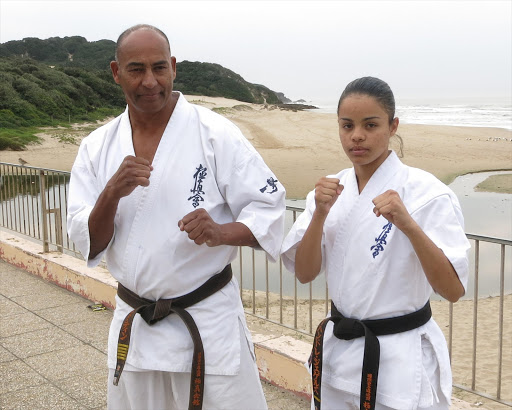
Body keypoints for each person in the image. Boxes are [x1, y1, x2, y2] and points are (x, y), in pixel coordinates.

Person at [67, 24, 285, 410]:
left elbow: (268, 210)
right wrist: (111, 193)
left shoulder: (215, 133)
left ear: (173, 68)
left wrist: (221, 232)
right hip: (136, 321)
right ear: (116, 73)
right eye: (136, 69)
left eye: (159, 68)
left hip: (206, 321)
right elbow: (89, 242)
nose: (150, 81)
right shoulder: (96, 147)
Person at [280, 77, 470, 410]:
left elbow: (453, 290)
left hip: (399, 358)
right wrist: (320, 215)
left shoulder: (427, 193)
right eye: (347, 125)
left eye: (371, 125)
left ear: (393, 126)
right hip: (338, 352)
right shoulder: (326, 192)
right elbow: (306, 273)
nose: (357, 136)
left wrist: (408, 225)